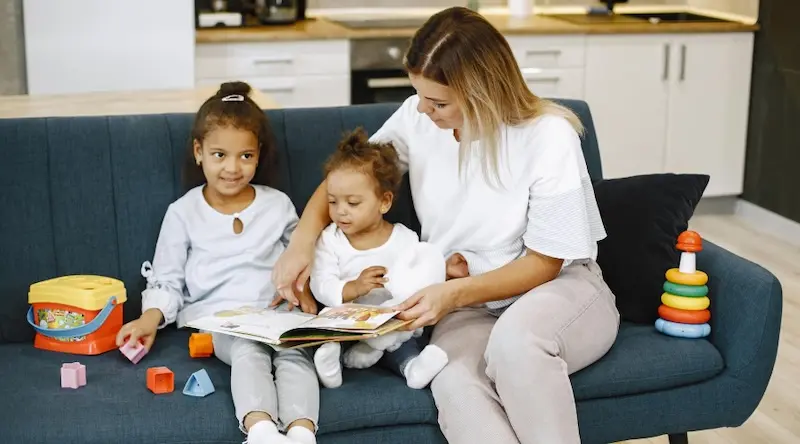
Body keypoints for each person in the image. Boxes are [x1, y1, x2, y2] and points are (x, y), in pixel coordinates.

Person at [271, 6, 621, 444]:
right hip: (466, 307)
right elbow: (347, 180)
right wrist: (301, 244)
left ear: (482, 94)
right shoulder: (417, 119)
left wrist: (452, 293)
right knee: (456, 388)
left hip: (557, 290)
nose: (423, 109)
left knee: (516, 347)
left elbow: (545, 263)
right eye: (419, 95)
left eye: (438, 102)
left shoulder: (548, 136)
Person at [115, 81, 320, 444]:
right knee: (247, 351)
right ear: (199, 152)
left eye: (246, 156)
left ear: (259, 154)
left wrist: (305, 290)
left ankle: (302, 433)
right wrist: (149, 319)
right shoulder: (183, 212)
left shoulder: (278, 205)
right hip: (219, 321)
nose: (233, 168)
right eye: (220, 155)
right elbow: (167, 280)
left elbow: (303, 259)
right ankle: (261, 430)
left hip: (277, 315)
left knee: (296, 355)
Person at [308, 127, 450, 390]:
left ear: (384, 202)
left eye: (352, 203)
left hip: (389, 325)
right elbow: (320, 282)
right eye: (333, 202)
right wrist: (353, 288)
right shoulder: (329, 239)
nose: (340, 212)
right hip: (348, 322)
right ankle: (331, 363)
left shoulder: (405, 239)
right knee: (329, 332)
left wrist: (443, 270)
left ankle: (412, 367)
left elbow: (419, 277)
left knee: (402, 343)